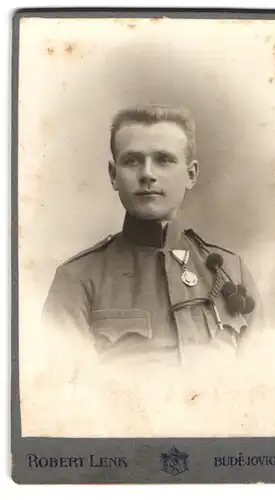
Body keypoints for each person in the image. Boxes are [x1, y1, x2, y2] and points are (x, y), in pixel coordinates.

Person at [42, 104, 260, 364]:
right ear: (113, 175)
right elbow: (56, 390)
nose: (147, 174)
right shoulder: (78, 279)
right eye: (132, 160)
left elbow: (263, 381)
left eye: (164, 160)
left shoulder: (231, 271)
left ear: (190, 175)